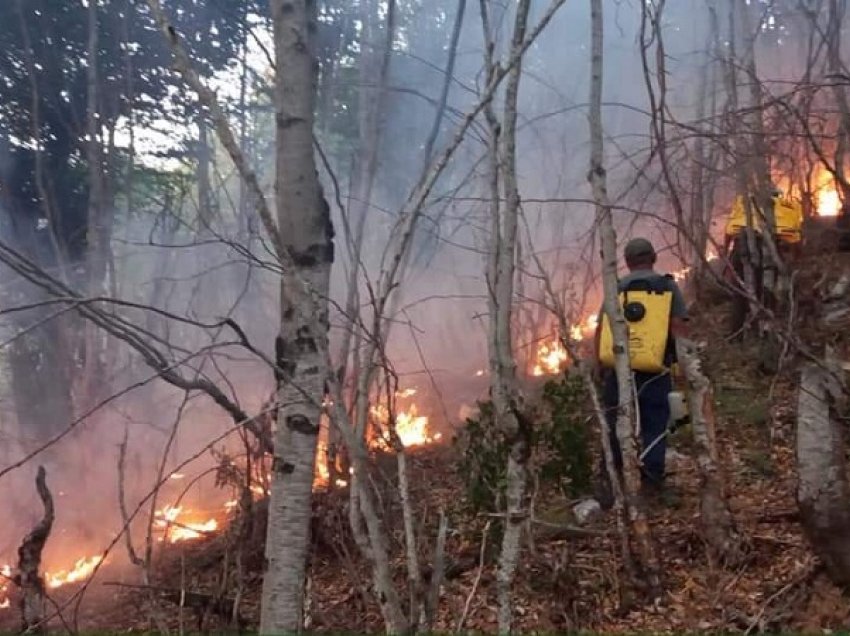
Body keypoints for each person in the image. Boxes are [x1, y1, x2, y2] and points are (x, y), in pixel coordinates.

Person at [594, 238, 689, 504]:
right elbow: (678, 326)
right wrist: (683, 364)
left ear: (627, 261)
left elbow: (601, 329)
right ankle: (652, 479)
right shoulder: (667, 286)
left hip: (618, 367)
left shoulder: (616, 289)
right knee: (655, 423)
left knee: (615, 424)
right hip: (656, 368)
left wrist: (599, 365)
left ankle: (611, 480)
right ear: (653, 257)